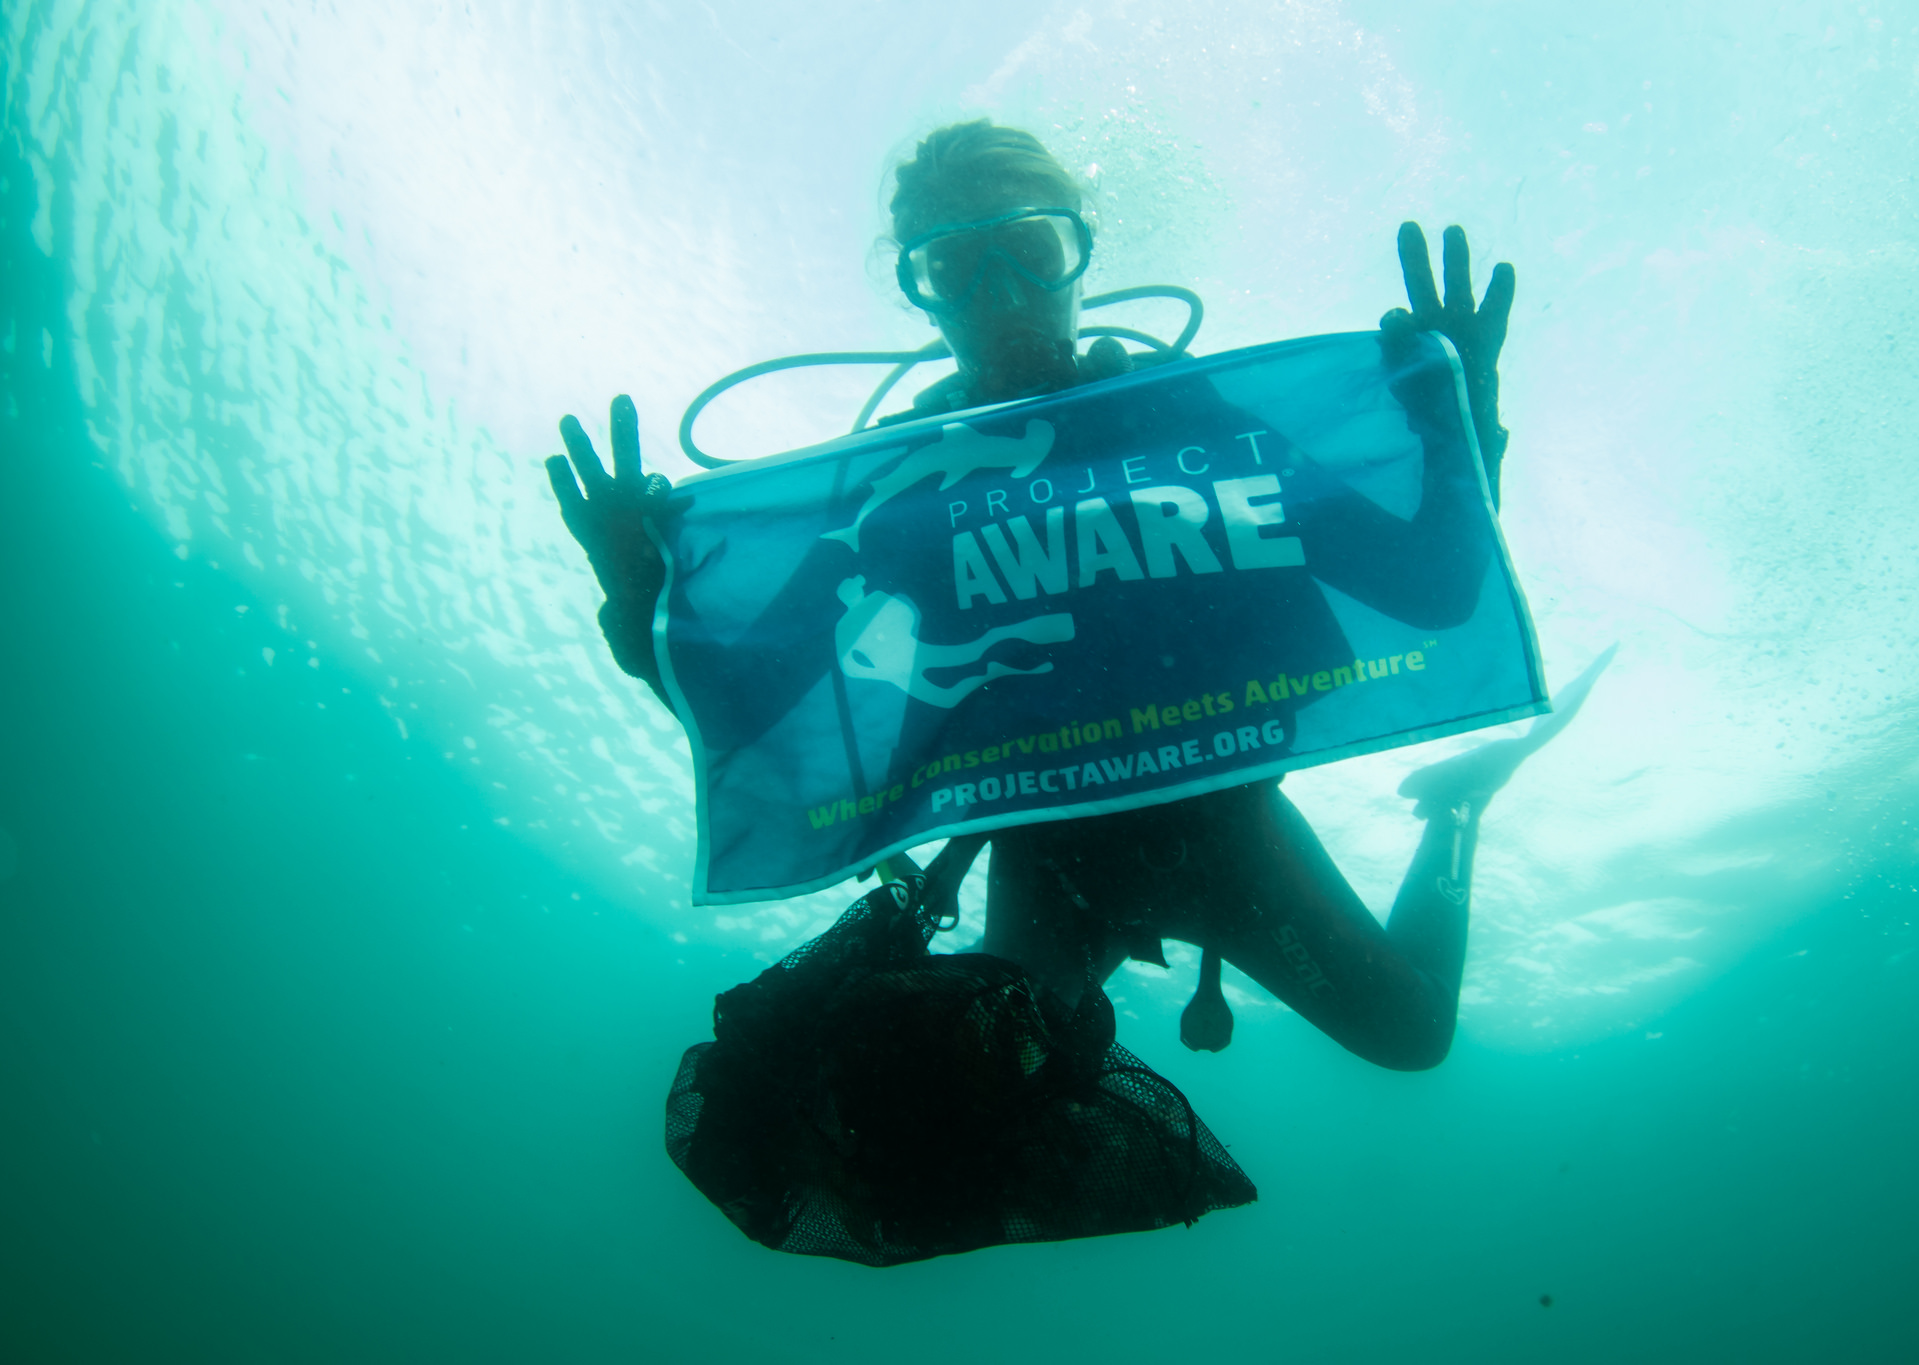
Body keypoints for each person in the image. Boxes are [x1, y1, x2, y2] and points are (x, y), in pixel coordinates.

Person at [547, 120, 1588, 1076]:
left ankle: (1449, 812)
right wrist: (643, 611)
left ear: (1076, 260)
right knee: (983, 1101)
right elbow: (739, 716)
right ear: (921, 295)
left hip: (1222, 825)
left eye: (1029, 253)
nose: (998, 294)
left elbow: (1433, 589)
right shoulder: (899, 490)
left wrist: (1454, 420)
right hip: (1042, 856)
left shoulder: (1189, 420)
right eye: (954, 267)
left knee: (1409, 1037)